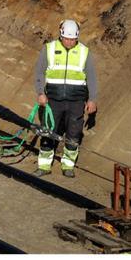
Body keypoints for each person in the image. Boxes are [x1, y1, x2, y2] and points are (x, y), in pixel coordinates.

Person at [33, 19, 99, 178]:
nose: (69, 42)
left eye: (72, 39)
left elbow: (91, 77)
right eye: (66, 38)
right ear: (61, 35)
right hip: (53, 99)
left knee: (74, 132)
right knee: (48, 131)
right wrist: (40, 93)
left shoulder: (84, 52)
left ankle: (68, 165)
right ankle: (44, 165)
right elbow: (39, 73)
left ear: (77, 37)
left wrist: (92, 99)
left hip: (76, 100)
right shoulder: (49, 49)